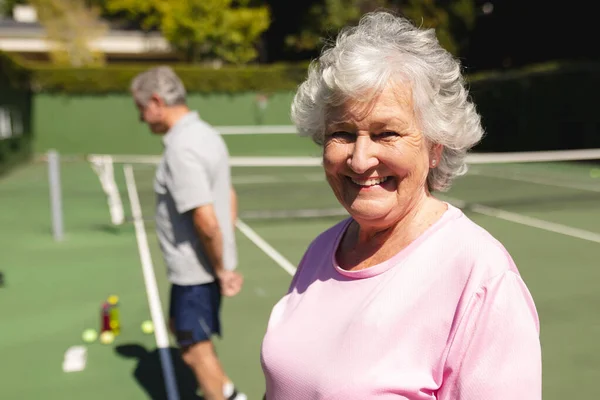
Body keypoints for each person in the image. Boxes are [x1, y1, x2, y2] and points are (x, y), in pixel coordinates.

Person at [260, 11, 541, 400]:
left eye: (386, 133)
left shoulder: (480, 276)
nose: (360, 160)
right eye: (341, 133)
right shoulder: (321, 251)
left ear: (435, 147)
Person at [130, 66, 246, 400]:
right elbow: (229, 195)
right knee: (184, 335)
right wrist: (224, 261)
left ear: (156, 102)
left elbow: (207, 221)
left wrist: (222, 270)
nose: (142, 119)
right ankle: (228, 392)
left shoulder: (181, 148)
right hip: (203, 270)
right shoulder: (207, 134)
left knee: (195, 351)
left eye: (141, 110)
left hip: (195, 274)